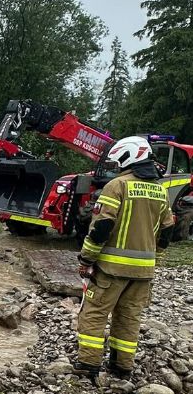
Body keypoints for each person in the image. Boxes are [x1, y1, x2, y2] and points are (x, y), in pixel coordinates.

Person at [74, 136, 177, 378]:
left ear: (129, 157)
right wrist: (154, 257)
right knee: (129, 318)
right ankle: (122, 367)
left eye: (119, 160)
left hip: (111, 269)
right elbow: (167, 231)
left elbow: (102, 227)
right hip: (143, 273)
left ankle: (88, 365)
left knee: (94, 313)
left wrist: (86, 259)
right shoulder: (160, 191)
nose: (118, 165)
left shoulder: (118, 186)